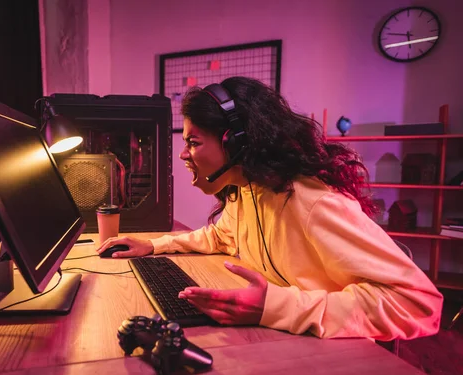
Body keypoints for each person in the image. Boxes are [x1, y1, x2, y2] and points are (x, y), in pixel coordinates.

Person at [97, 76, 443, 341]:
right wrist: (154, 245)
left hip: (338, 358)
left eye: (193, 142)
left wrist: (274, 307)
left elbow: (420, 304)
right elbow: (222, 236)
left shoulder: (313, 203)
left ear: (235, 143)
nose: (184, 154)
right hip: (289, 342)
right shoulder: (248, 189)